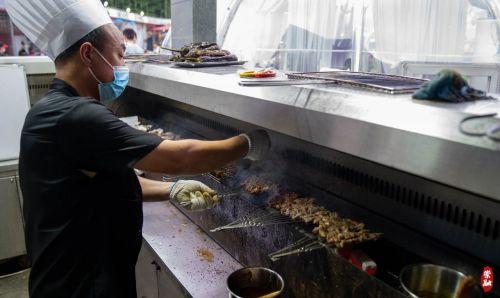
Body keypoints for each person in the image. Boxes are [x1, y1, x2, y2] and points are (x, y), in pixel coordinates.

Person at [5, 0, 270, 297]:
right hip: (80, 285)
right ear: (88, 54)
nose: (123, 66)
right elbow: (181, 157)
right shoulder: (77, 116)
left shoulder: (51, 109)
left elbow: (102, 180)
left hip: (72, 277)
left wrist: (170, 190)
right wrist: (250, 143)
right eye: (119, 54)